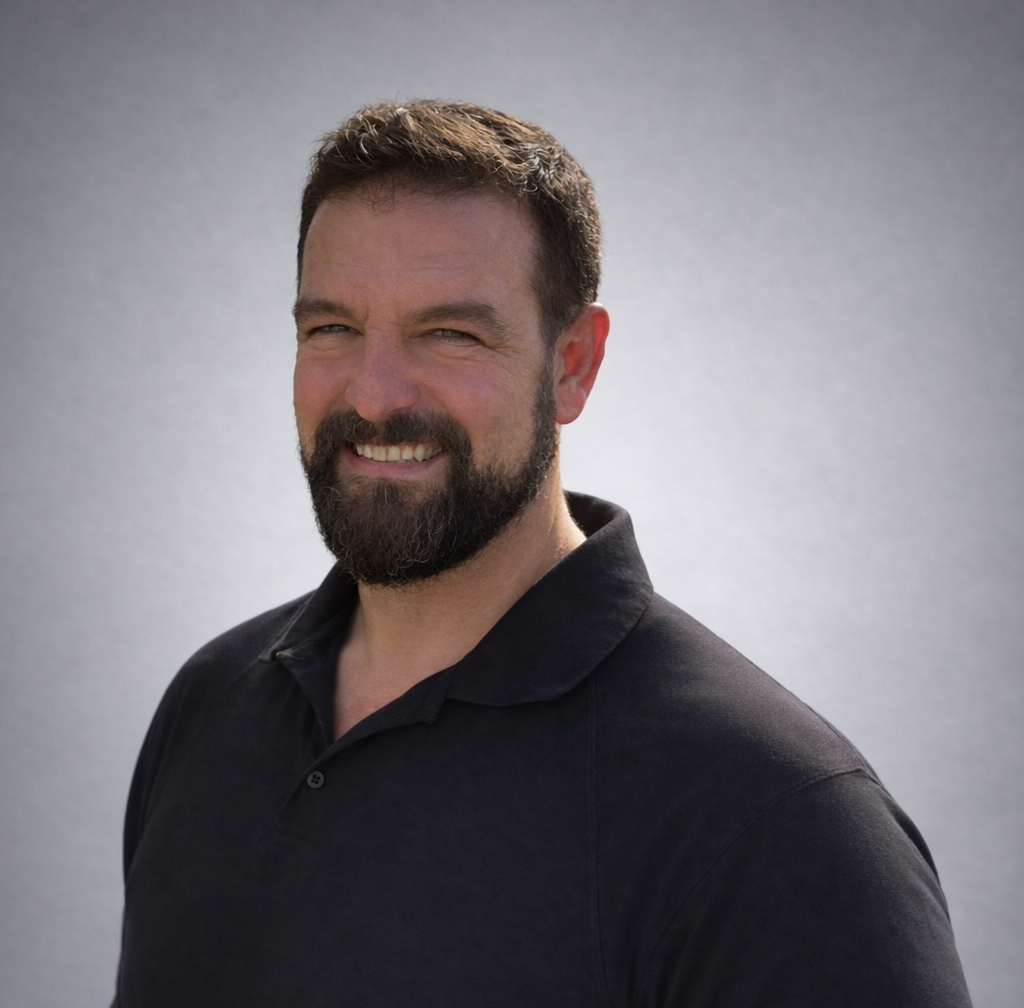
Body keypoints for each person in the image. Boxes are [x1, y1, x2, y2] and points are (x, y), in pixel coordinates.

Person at [113, 100, 972, 1007]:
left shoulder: (776, 815)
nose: (373, 394)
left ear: (573, 365)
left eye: (450, 333)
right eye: (331, 328)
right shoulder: (210, 706)